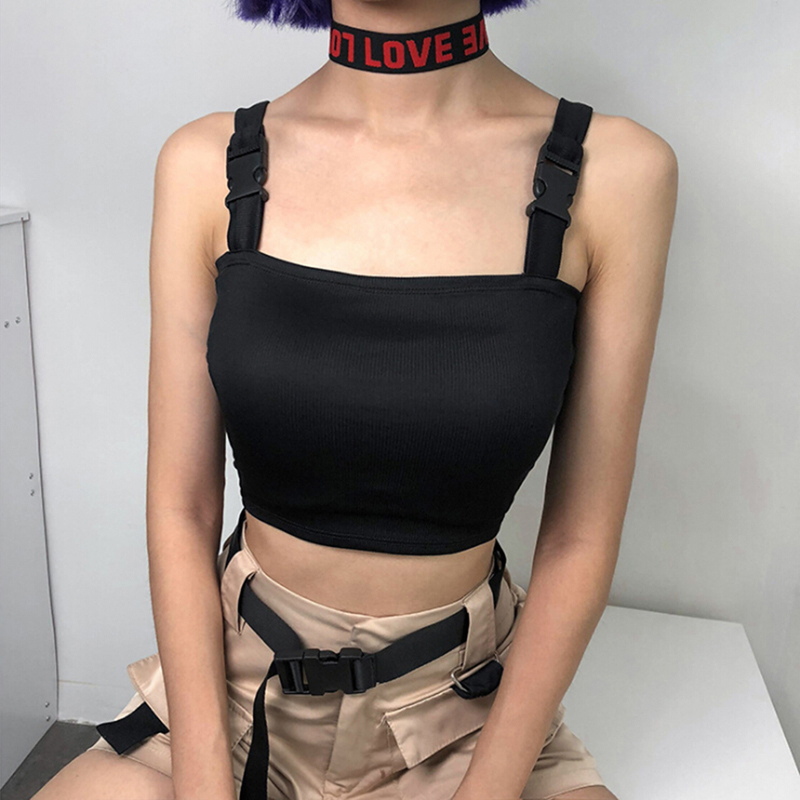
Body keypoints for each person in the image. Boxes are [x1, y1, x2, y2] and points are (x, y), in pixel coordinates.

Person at [35, 1, 677, 799]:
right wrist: (204, 780)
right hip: (233, 698)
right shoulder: (208, 162)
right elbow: (182, 509)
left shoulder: (617, 172)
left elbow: (580, 537)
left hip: (463, 718)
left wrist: (487, 789)